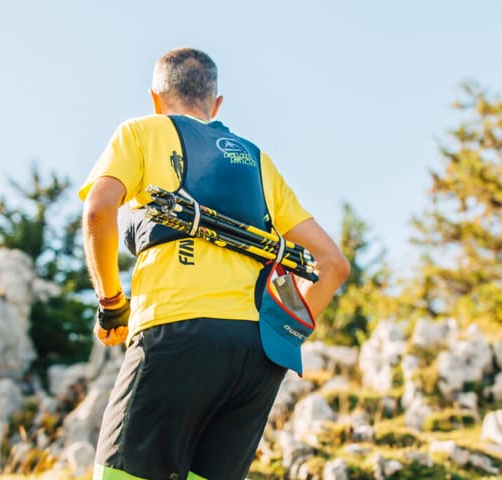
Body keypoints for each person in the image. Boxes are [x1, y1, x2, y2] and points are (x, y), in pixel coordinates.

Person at [79, 47, 349, 480]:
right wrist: (285, 332)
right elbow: (333, 264)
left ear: (155, 98)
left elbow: (98, 211)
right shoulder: (257, 160)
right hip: (257, 357)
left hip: (176, 333)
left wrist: (112, 303)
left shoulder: (141, 132)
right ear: (216, 103)